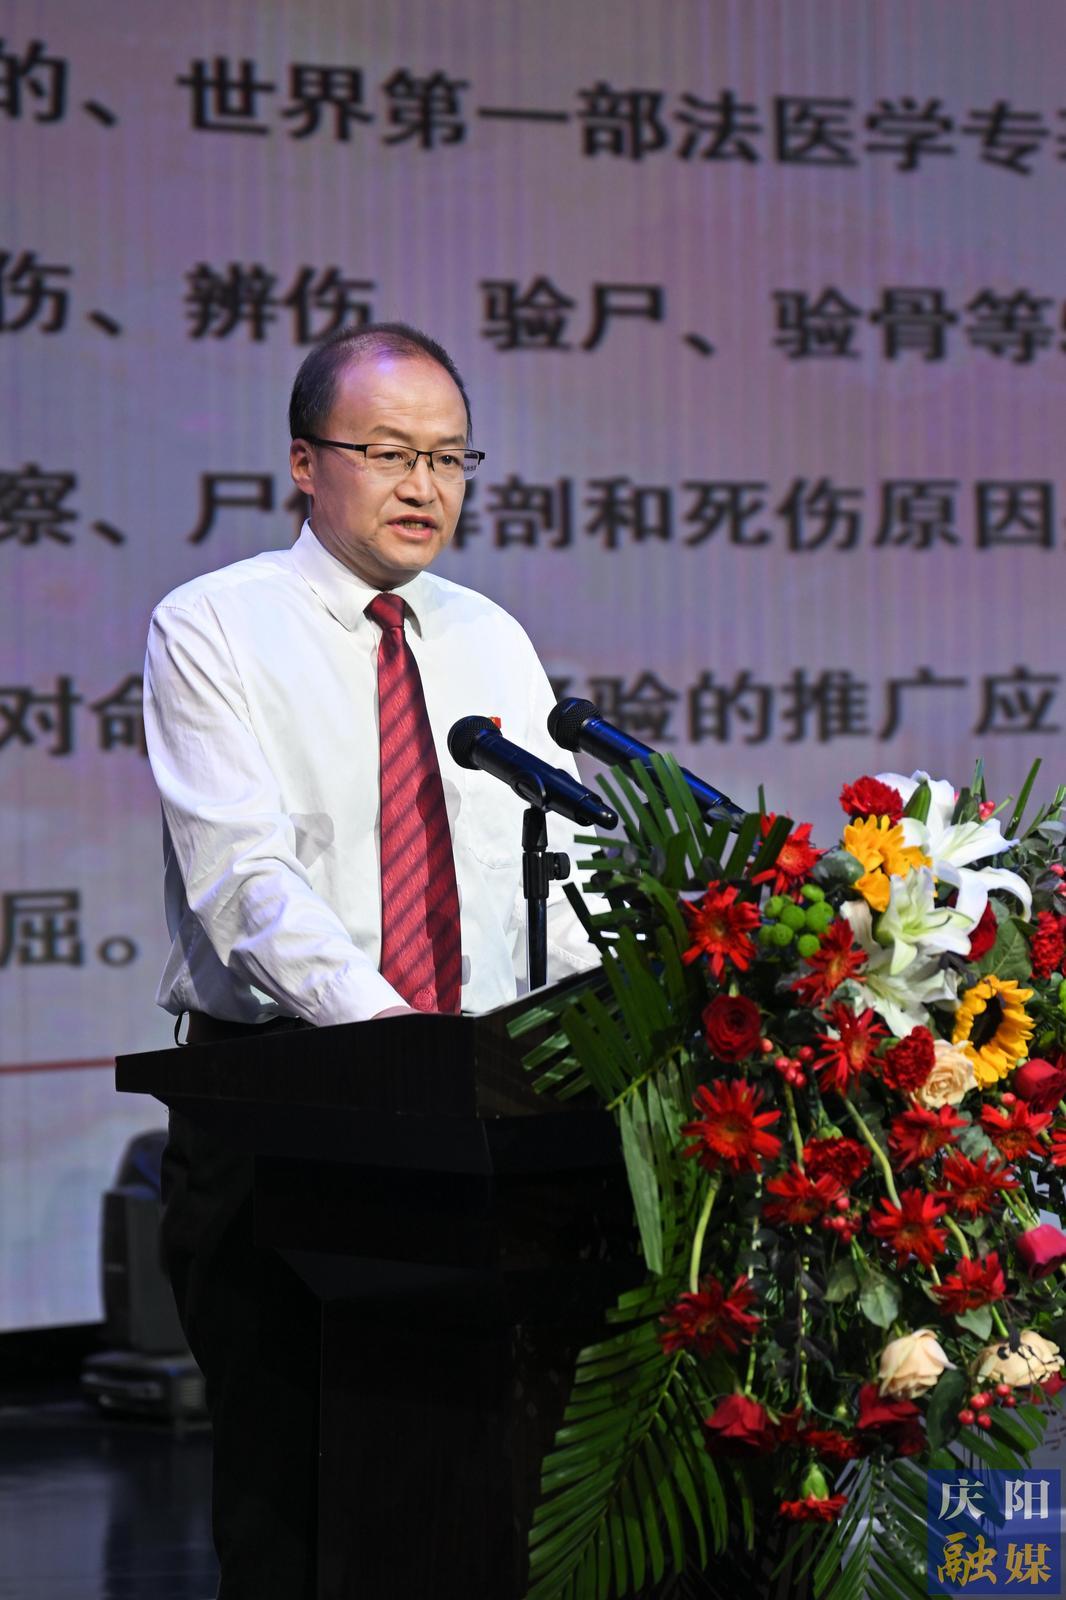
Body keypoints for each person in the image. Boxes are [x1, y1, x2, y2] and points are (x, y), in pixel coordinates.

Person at [142, 322, 601, 1598]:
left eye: (450, 458)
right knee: (291, 1505)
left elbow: (556, 878)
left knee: (474, 1489)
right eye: (390, 453)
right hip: (283, 1112)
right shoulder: (214, 625)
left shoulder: (488, 636)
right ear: (305, 462)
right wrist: (411, 1053)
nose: (424, 486)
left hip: (486, 1132)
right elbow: (243, 884)